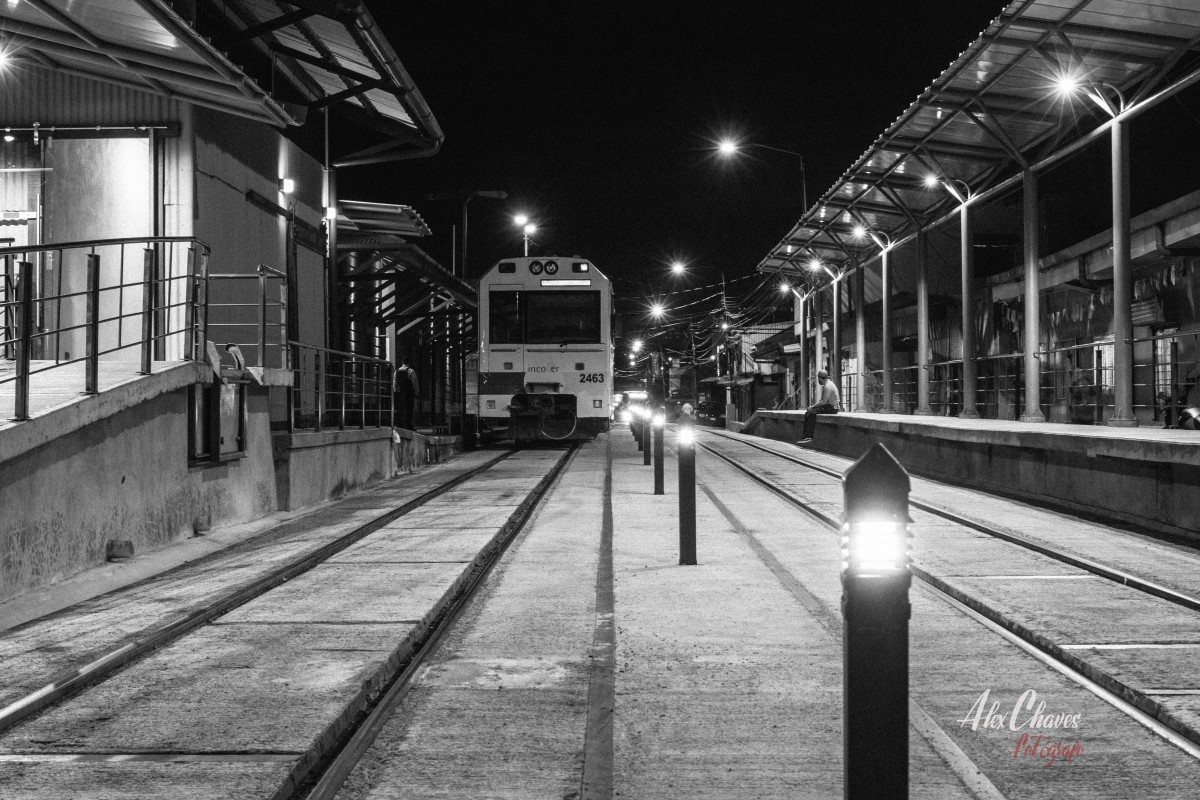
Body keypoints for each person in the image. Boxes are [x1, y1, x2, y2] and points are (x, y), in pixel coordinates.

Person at [798, 369, 840, 444]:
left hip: (832, 408)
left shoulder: (828, 387)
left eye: (818, 378)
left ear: (820, 378)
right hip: (829, 406)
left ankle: (809, 436)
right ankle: (806, 435)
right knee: (808, 413)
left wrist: (813, 407)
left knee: (811, 413)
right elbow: (823, 402)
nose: (818, 380)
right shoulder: (828, 384)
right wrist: (813, 407)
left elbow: (823, 402)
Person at [393, 358, 419, 430]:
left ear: (402, 362)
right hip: (409, 393)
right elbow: (415, 383)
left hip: (399, 393)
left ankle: (400, 424)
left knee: (400, 409)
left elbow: (394, 383)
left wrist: (395, 391)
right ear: (409, 363)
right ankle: (408, 425)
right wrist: (417, 392)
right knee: (409, 409)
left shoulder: (396, 371)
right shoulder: (411, 371)